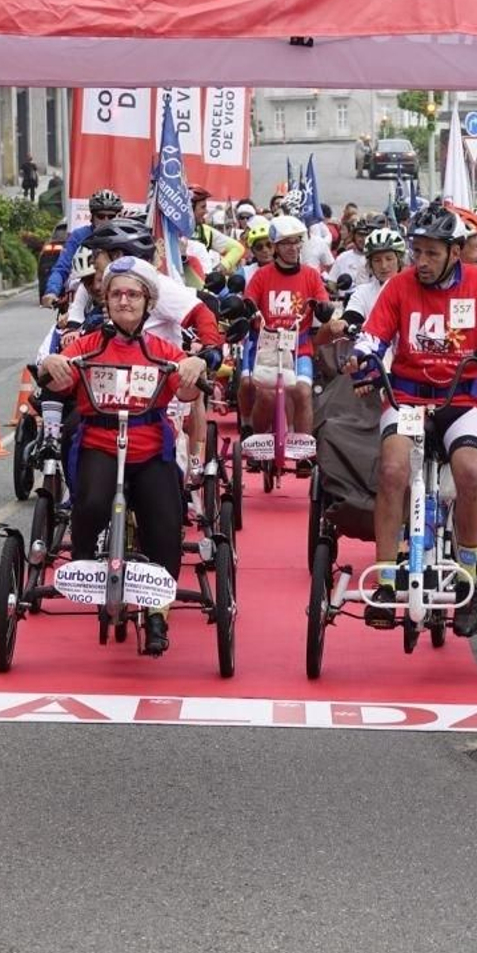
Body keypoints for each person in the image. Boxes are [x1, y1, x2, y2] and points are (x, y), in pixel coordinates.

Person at [347, 203, 477, 636]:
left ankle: (465, 578)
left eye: (432, 253)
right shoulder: (399, 287)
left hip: (461, 397)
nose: (422, 262)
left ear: (454, 252)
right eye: (417, 252)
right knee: (393, 469)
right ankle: (387, 578)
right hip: (408, 396)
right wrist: (363, 360)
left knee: (472, 473)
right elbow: (372, 338)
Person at [39, 258, 208, 655]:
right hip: (100, 444)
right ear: (106, 301)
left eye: (132, 294)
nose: (124, 301)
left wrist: (194, 366)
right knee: (92, 502)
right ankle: (83, 562)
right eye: (116, 294)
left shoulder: (162, 348)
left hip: (149, 448)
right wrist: (52, 363)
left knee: (164, 526)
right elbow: (53, 373)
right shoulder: (89, 344)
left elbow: (189, 388)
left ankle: (156, 615)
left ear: (148, 302)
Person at [244, 216, 329, 440]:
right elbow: (249, 301)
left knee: (302, 392)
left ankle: (302, 448)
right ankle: (258, 440)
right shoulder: (262, 276)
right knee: (266, 396)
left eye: (296, 242)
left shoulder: (311, 275)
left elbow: (323, 301)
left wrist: (324, 308)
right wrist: (245, 309)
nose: (293, 248)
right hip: (268, 347)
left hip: (300, 347)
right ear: (276, 247)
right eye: (286, 243)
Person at [43, 188, 123, 305]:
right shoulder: (78, 236)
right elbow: (61, 269)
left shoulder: (124, 237)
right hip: (81, 297)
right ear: (92, 217)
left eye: (111, 217)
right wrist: (52, 292)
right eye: (100, 216)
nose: (106, 221)